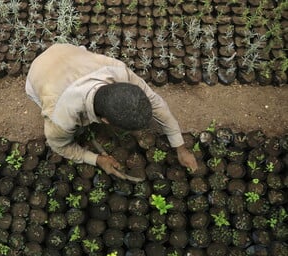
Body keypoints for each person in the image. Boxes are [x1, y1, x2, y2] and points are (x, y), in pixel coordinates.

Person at [25, 43, 198, 178]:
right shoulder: (61, 116)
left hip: (66, 51)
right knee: (75, 130)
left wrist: (181, 148)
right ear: (105, 121)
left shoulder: (119, 72)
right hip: (39, 73)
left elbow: (157, 104)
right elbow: (60, 146)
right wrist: (96, 159)